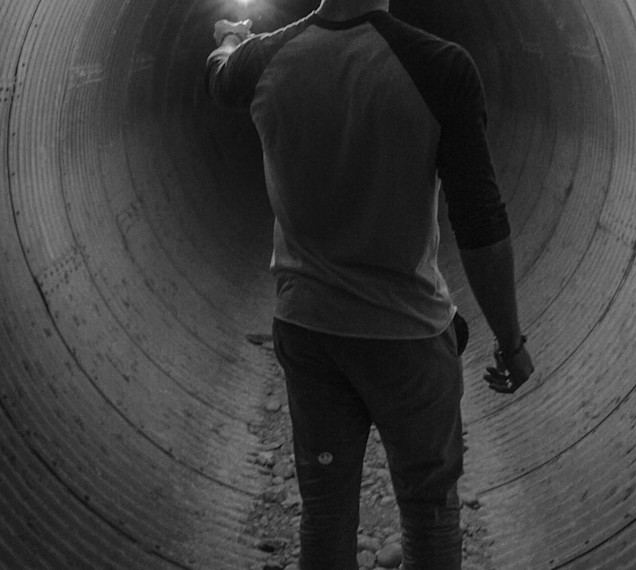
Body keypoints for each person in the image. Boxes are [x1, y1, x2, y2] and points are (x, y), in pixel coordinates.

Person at [206, 1, 535, 567]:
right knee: (430, 512)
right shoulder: (439, 66)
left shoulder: (266, 61)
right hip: (407, 336)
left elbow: (218, 77)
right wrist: (511, 341)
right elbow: (480, 220)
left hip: (309, 330)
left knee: (326, 514)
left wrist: (231, 41)